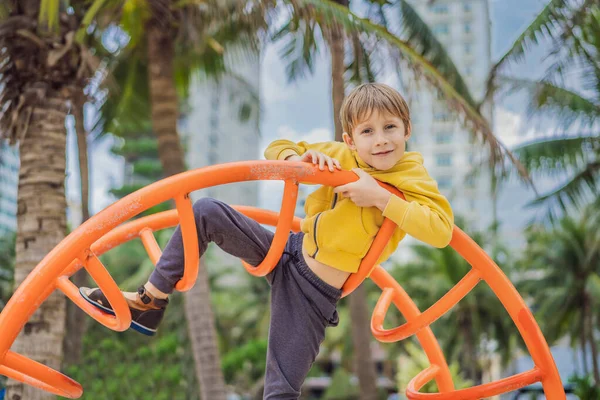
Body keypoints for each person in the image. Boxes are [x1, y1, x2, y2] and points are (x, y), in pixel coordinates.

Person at [80, 82, 454, 399]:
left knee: (280, 390)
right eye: (367, 132)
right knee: (205, 211)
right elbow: (277, 147)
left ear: (407, 130)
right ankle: (151, 299)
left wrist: (382, 198)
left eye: (390, 127)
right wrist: (299, 157)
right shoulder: (341, 155)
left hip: (314, 292)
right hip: (287, 250)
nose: (381, 140)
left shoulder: (412, 176)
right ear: (350, 140)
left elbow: (440, 230)